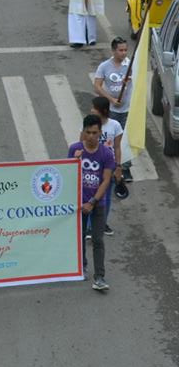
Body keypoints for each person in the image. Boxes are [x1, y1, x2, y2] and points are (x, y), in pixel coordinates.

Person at [68, 114, 114, 292]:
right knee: (78, 237)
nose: (91, 137)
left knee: (97, 239)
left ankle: (100, 277)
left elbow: (106, 180)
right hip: (79, 204)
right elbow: (66, 174)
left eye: (95, 133)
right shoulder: (75, 149)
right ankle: (82, 266)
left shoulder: (106, 153)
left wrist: (93, 201)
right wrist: (74, 161)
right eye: (88, 133)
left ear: (100, 133)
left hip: (97, 204)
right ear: (83, 132)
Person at [89, 96, 123, 235]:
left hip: (108, 167)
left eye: (94, 108)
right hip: (91, 166)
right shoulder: (89, 124)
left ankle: (102, 224)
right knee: (91, 194)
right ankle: (90, 227)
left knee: (106, 197)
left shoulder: (115, 125)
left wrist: (118, 167)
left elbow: (117, 148)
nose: (91, 110)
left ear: (103, 110)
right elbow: (81, 143)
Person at [93, 37, 132, 129]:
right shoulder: (104, 66)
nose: (124, 53)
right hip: (111, 110)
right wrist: (111, 100)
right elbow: (97, 86)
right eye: (121, 50)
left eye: (125, 50)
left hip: (128, 109)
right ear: (113, 51)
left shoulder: (131, 65)